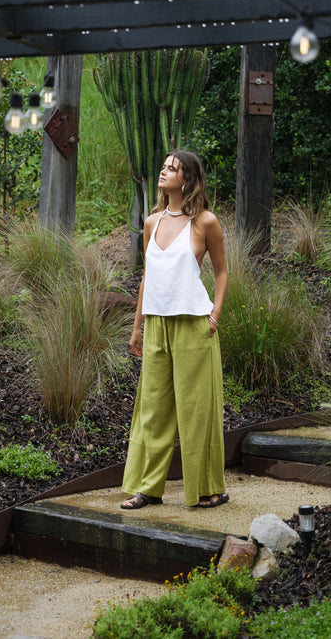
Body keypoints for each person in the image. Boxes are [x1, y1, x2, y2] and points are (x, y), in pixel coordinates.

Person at [121, 150, 229, 510]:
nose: (164, 171)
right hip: (156, 325)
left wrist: (214, 315)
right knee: (154, 409)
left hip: (194, 325)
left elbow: (222, 272)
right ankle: (148, 489)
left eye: (173, 168)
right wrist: (137, 327)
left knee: (197, 411)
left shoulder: (205, 222)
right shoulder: (151, 222)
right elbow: (147, 278)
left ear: (188, 179)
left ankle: (210, 487)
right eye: (164, 166)